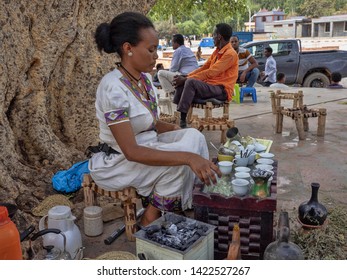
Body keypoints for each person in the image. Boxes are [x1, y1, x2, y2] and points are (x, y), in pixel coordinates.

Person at [91, 12, 221, 226]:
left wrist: (173, 130)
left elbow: (149, 124)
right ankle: (150, 216)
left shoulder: (145, 80)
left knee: (194, 137)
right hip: (119, 162)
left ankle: (184, 200)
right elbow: (131, 152)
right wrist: (189, 158)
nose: (155, 56)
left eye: (157, 49)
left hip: (148, 145)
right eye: (151, 50)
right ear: (128, 48)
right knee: (180, 163)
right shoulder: (112, 88)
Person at [173, 23, 238, 128]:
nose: (212, 38)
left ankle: (182, 120)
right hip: (211, 86)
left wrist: (186, 79)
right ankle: (178, 114)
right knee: (184, 79)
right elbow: (204, 68)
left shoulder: (230, 54)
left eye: (213, 35)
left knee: (189, 82)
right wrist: (185, 77)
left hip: (222, 90)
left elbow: (211, 72)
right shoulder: (217, 52)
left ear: (219, 36)